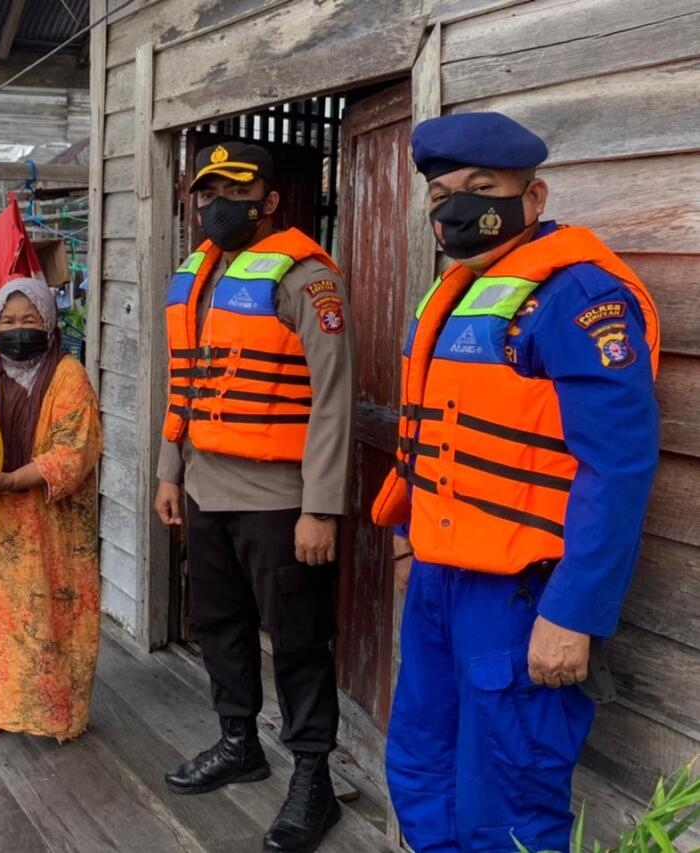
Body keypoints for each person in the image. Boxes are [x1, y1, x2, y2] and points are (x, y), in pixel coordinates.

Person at [374, 113, 660, 852]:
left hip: (524, 596)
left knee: (507, 800)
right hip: (440, 583)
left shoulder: (579, 298)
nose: (457, 206)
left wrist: (576, 612)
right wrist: (410, 541)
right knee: (421, 769)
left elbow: (617, 465)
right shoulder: (460, 293)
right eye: (442, 195)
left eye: (482, 187)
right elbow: (436, 433)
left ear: (533, 197)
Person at [154, 142, 356, 853]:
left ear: (269, 198)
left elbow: (334, 403)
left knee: (299, 641)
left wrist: (320, 507)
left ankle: (313, 777)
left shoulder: (307, 278)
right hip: (205, 486)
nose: (215, 205)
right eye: (206, 192)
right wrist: (168, 470)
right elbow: (184, 385)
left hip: (281, 498)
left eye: (233, 191)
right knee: (219, 624)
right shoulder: (198, 277)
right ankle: (238, 741)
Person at [0, 277, 103, 743]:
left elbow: (73, 452)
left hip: (53, 520)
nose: (17, 328)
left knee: (57, 613)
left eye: (29, 319)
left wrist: (13, 478)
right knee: (3, 616)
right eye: (8, 320)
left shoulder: (68, 375)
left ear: (48, 322)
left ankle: (59, 715)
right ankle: (5, 708)